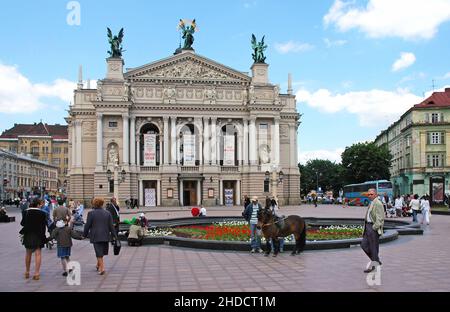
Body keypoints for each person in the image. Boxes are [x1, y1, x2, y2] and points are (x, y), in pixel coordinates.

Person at [83, 198, 117, 275]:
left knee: (99, 252)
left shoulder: (91, 213)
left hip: (96, 235)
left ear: (94, 204)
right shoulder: (107, 213)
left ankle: (102, 269)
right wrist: (115, 236)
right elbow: (111, 226)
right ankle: (99, 265)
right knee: (102, 252)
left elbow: (87, 226)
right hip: (105, 235)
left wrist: (84, 235)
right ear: (102, 204)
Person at [20, 198, 47, 280]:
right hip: (38, 235)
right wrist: (44, 237)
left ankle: (27, 272)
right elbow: (43, 226)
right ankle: (36, 273)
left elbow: (22, 223)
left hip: (28, 234)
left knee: (28, 253)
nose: (41, 206)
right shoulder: (42, 213)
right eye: (40, 204)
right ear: (38, 205)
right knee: (38, 253)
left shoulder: (26, 212)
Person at [361, 188, 384, 273]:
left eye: (371, 194)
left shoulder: (378, 203)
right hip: (367, 226)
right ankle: (376, 260)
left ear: (375, 194)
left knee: (373, 248)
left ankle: (374, 265)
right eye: (368, 194)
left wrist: (374, 227)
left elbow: (380, 218)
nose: (369, 196)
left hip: (372, 228)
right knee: (364, 245)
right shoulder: (371, 202)